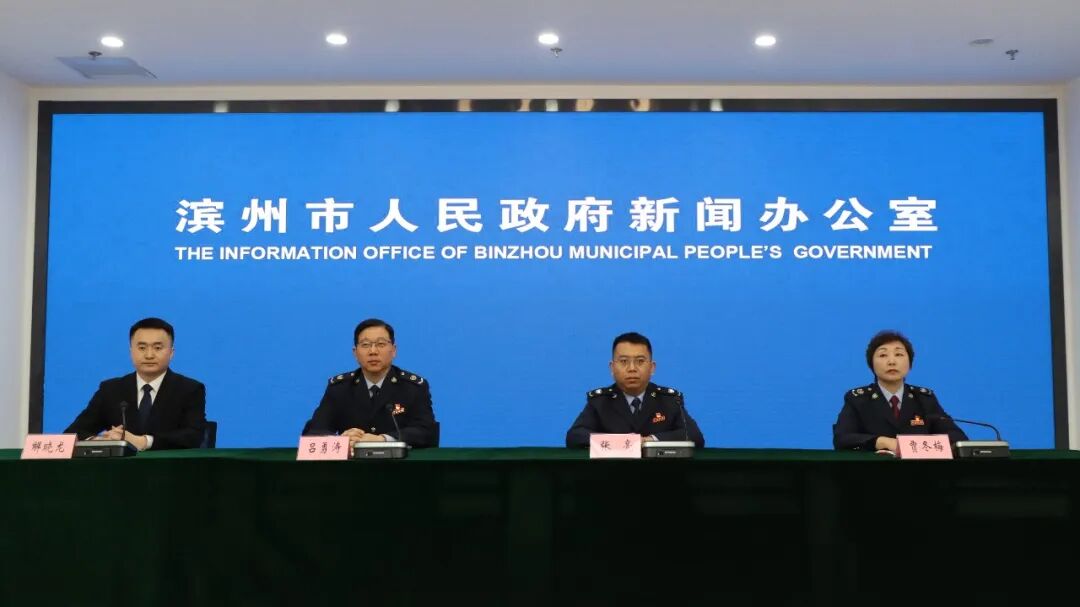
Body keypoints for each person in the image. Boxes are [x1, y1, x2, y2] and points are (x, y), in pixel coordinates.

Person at [65, 317, 207, 450]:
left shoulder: (190, 389)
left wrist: (144, 442)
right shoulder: (110, 390)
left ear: (171, 353)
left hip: (168, 467)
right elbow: (73, 433)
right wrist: (99, 441)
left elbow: (194, 436)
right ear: (131, 352)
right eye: (142, 348)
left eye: (157, 348)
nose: (149, 355)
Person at [303, 318, 437, 447]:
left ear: (393, 350)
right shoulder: (340, 388)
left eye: (381, 344)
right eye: (365, 345)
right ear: (355, 353)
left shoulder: (413, 388)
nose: (373, 351)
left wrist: (383, 439)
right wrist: (341, 440)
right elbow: (313, 432)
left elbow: (427, 432)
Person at [833, 330, 967, 451]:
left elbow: (956, 437)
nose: (891, 361)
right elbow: (842, 438)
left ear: (910, 363)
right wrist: (880, 441)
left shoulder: (924, 399)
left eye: (899, 354)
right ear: (871, 364)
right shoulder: (858, 400)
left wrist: (919, 445)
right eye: (883, 355)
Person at [566, 332, 705, 448]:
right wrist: (623, 442)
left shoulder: (669, 400)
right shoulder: (600, 402)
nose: (632, 368)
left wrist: (650, 440)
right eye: (624, 361)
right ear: (612, 368)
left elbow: (694, 435)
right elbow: (575, 436)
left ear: (652, 368)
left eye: (640, 361)